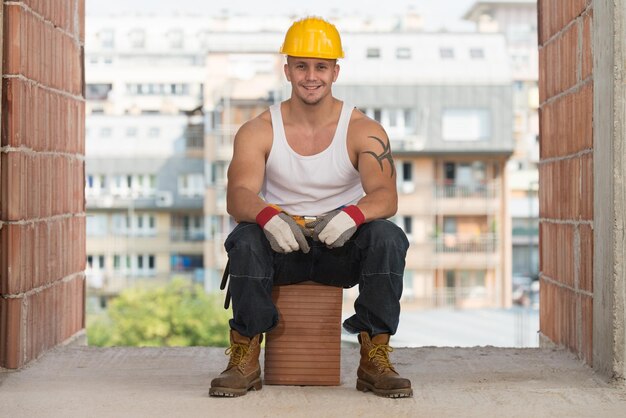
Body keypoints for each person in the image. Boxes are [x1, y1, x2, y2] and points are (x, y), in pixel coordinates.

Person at [209, 16, 412, 399]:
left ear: (335, 71)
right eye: (301, 66)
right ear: (287, 70)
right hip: (281, 247)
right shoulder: (258, 129)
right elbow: (237, 196)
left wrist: (352, 215)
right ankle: (245, 355)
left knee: (388, 236)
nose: (311, 76)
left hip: (341, 246)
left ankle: (375, 357)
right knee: (244, 238)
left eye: (321, 66)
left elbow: (386, 196)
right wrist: (268, 216)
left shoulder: (362, 129)